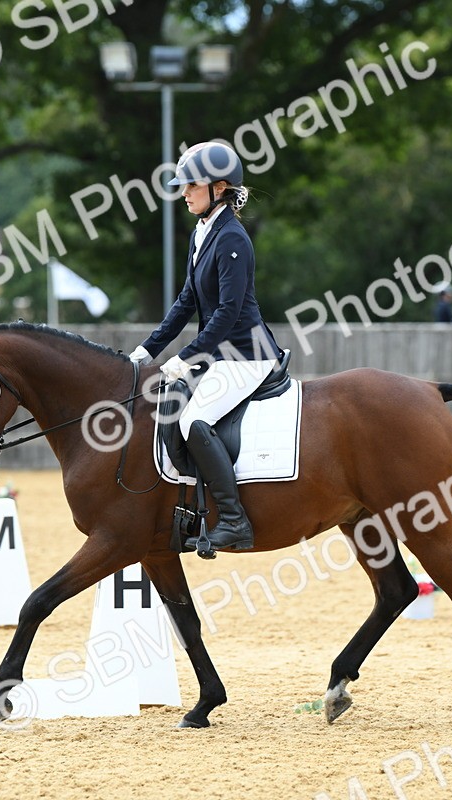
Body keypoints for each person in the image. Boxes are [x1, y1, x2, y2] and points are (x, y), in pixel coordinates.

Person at [128, 141, 283, 553]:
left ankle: (233, 520)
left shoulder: (233, 238)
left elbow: (229, 312)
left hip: (247, 354)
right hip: (221, 355)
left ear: (219, 187)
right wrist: (144, 353)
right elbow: (186, 303)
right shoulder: (203, 233)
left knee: (192, 419)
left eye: (191, 185)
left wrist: (185, 357)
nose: (184, 192)